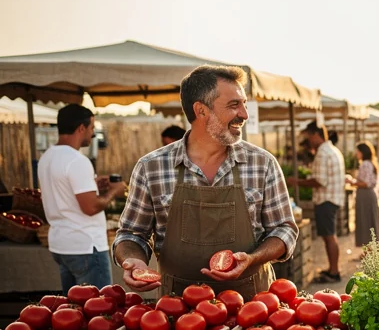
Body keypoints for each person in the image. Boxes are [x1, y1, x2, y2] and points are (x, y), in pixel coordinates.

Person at [114, 65, 298, 299]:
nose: (244, 114)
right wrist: (133, 261)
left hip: (253, 308)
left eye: (244, 104)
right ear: (201, 111)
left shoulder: (262, 164)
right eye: (234, 105)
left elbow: (284, 230)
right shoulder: (151, 168)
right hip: (177, 311)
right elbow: (131, 234)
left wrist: (252, 259)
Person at [38, 104, 126, 294]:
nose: (92, 133)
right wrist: (114, 192)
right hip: (85, 245)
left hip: (61, 244)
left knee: (72, 311)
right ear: (81, 128)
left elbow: (63, 192)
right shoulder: (77, 160)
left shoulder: (47, 157)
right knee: (99, 309)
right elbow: (91, 207)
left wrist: (92, 184)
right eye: (92, 128)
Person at [288, 122, 345, 283]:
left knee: (329, 236)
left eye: (309, 136)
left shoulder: (322, 152)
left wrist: (297, 182)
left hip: (325, 199)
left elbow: (320, 181)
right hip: (333, 198)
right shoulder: (333, 150)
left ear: (316, 134)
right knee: (330, 236)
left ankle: (334, 272)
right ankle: (332, 269)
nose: (308, 140)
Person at [347, 141, 379, 255]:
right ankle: (369, 251)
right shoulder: (369, 163)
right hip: (367, 195)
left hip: (365, 195)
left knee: (366, 222)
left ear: (362, 152)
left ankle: (369, 252)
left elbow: (366, 183)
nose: (356, 154)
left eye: (357, 151)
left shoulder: (365, 164)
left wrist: (352, 182)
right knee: (368, 222)